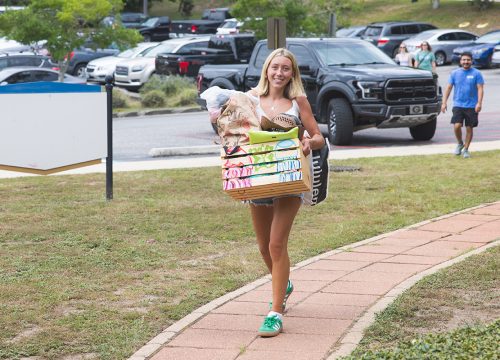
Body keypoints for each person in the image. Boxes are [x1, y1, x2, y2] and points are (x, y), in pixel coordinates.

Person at [246, 48, 325, 337]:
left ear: (293, 73)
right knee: (264, 246)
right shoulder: (250, 98)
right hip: (259, 178)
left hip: (290, 179)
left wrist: (308, 144)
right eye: (275, 67)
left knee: (277, 245)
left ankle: (275, 312)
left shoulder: (297, 100)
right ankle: (285, 284)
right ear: (266, 69)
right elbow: (233, 131)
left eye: (286, 68)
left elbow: (318, 137)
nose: (279, 73)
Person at [441, 52, 484, 158]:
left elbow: (480, 89)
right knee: (457, 126)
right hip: (458, 104)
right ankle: (460, 143)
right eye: (464, 60)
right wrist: (444, 102)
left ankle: (466, 150)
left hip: (471, 106)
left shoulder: (477, 73)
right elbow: (449, 88)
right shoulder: (454, 73)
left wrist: (479, 103)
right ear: (460, 61)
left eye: (468, 60)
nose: (466, 62)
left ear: (471, 61)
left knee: (469, 128)